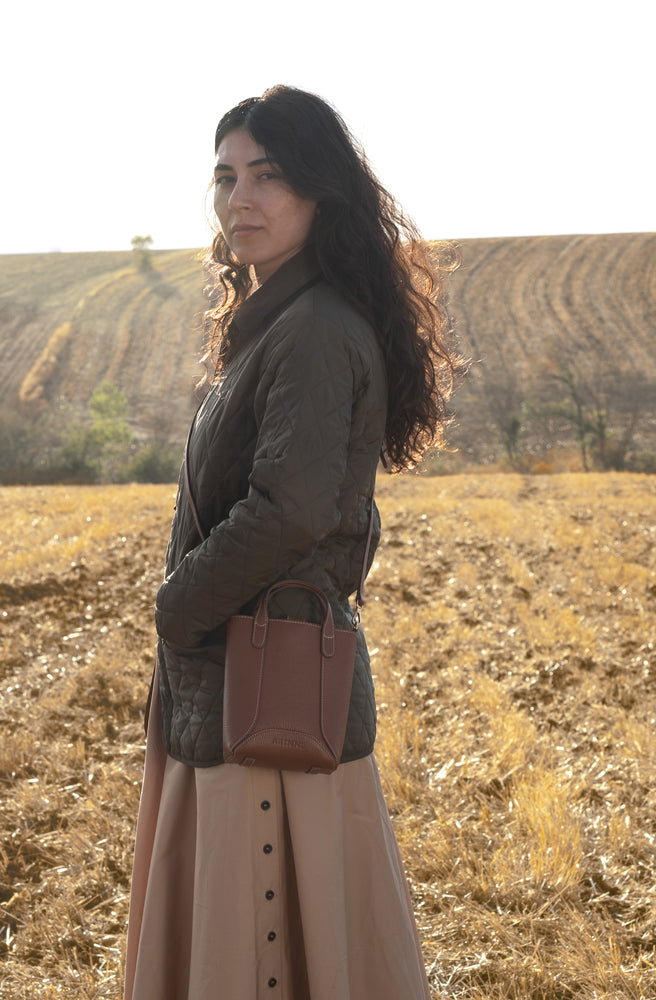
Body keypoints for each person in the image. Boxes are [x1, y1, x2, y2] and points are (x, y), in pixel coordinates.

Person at [124, 85, 459, 1000]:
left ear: (322, 192)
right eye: (228, 177)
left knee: (261, 950)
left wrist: (176, 607)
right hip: (243, 676)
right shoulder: (278, 321)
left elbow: (294, 511)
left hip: (265, 682)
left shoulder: (313, 331)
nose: (243, 200)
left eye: (270, 177)